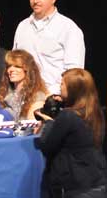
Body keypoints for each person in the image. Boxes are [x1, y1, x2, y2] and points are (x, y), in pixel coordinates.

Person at [35, 68, 107, 197]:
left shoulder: (68, 116)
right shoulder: (96, 112)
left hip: (75, 186)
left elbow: (47, 147)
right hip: (96, 181)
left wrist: (48, 123)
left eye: (62, 84)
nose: (59, 87)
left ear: (73, 89)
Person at [13, 0, 85, 95]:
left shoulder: (68, 28)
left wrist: (53, 96)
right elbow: (15, 62)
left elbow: (74, 73)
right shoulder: (23, 26)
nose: (35, 0)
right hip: (23, 98)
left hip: (53, 100)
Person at [0, 50, 48, 121]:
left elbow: (32, 127)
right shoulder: (4, 93)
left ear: (27, 70)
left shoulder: (37, 96)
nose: (11, 69)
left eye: (17, 66)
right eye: (9, 66)